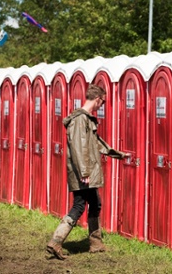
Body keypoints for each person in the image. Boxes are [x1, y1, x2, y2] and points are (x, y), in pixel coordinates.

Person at [46, 84, 131, 260]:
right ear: (98, 99)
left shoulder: (86, 119)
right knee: (79, 205)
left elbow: (97, 142)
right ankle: (56, 241)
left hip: (86, 171)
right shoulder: (80, 120)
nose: (102, 106)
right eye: (103, 102)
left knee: (95, 203)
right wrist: (84, 172)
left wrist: (118, 154)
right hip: (83, 172)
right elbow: (78, 147)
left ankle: (96, 244)